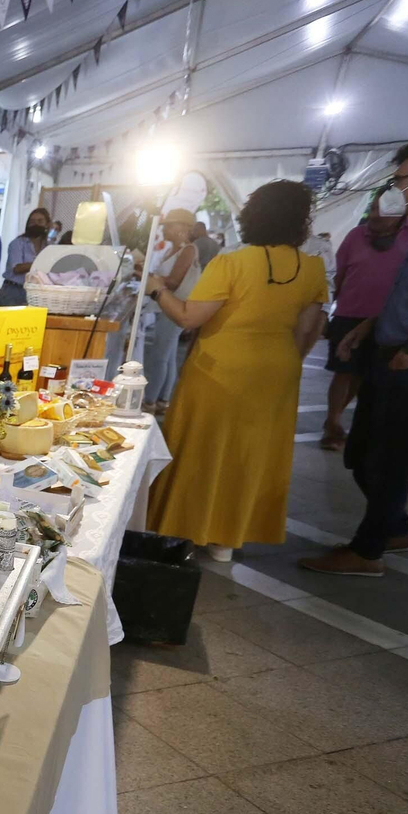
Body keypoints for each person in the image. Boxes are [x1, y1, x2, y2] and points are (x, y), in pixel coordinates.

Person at [145, 180, 329, 562]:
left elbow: (188, 317)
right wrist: (282, 362)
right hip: (278, 369)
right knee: (249, 456)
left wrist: (157, 289)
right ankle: (226, 540)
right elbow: (308, 330)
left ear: (253, 217)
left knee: (203, 448)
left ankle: (186, 529)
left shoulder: (231, 263)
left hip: (219, 369)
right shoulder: (312, 268)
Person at [301, 133, 408, 577]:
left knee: (387, 458)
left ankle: (367, 552)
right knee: (363, 453)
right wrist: (367, 326)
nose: (394, 188)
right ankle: (394, 528)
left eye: (401, 178)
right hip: (387, 351)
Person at [317, 193, 408, 450]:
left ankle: (339, 420)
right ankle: (332, 423)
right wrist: (326, 313)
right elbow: (337, 276)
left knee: (362, 374)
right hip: (349, 315)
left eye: (380, 210)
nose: (373, 215)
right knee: (343, 371)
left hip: (388, 319)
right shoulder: (356, 235)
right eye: (372, 208)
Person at [140, 209, 200, 412]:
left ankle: (149, 400)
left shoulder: (188, 250)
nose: (164, 229)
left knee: (159, 357)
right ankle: (162, 399)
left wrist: (151, 279)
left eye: (169, 225)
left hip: (174, 308)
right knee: (168, 356)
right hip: (166, 308)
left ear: (182, 228)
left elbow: (174, 282)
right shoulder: (174, 250)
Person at [1, 207, 51, 305]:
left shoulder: (48, 247)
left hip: (36, 292)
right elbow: (17, 268)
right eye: (32, 221)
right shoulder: (17, 243)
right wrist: (42, 264)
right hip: (14, 290)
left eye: (40, 221)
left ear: (47, 224)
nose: (35, 224)